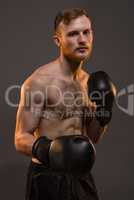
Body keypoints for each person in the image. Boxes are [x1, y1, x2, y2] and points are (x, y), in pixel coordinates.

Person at [14, 8, 116, 200]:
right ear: (58, 40)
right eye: (73, 34)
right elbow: (20, 138)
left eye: (87, 32)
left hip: (81, 176)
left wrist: (104, 114)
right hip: (47, 177)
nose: (82, 39)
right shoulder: (39, 82)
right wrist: (53, 150)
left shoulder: (90, 82)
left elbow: (92, 139)